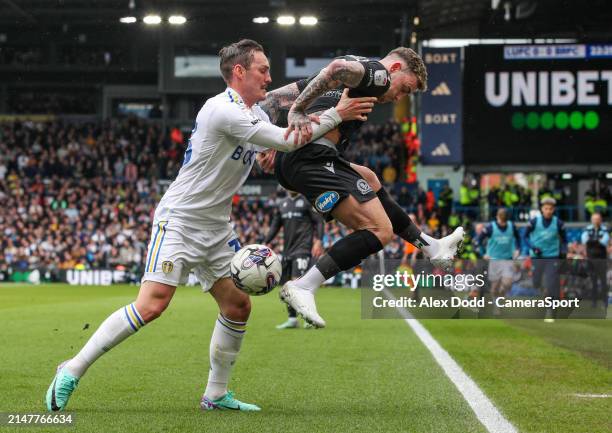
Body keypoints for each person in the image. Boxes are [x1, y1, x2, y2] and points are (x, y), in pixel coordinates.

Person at [45, 39, 374, 412]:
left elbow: (275, 138)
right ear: (239, 72)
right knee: (152, 305)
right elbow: (286, 140)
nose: (269, 77)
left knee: (237, 306)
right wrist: (337, 115)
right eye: (262, 70)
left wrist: (275, 146)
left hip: (216, 227)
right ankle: (71, 368)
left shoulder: (256, 115)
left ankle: (216, 394)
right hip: (181, 221)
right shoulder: (220, 109)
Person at [258, 48, 463, 328]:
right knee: (380, 231)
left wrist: (268, 140)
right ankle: (304, 286)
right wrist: (298, 111)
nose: (399, 97)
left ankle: (431, 246)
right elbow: (335, 67)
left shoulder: (358, 75)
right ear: (395, 68)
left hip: (309, 155)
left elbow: (271, 100)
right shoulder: (376, 74)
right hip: (309, 158)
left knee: (369, 178)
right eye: (404, 88)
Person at [263, 190, 324, 329]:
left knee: (298, 284)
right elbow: (275, 226)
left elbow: (319, 221)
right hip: (287, 251)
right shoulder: (282, 204)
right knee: (286, 286)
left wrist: (319, 240)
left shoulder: (307, 200)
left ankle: (309, 318)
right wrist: (265, 242)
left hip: (302, 248)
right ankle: (292, 319)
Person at [524, 197, 567, 322]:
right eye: (546, 208)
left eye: (551, 209)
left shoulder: (558, 223)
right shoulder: (533, 222)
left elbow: (564, 240)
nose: (548, 211)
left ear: (553, 210)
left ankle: (551, 311)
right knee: (536, 282)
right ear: (542, 209)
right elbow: (525, 237)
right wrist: (533, 247)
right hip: (537, 256)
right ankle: (543, 292)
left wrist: (563, 251)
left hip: (552, 256)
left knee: (552, 283)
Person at [475, 208, 521, 315]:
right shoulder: (491, 227)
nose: (502, 223)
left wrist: (518, 249)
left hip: (507, 259)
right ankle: (497, 304)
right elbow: (478, 240)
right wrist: (483, 254)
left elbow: (518, 238)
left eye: (504, 221)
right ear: (497, 217)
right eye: (501, 220)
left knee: (507, 283)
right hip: (494, 260)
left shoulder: (511, 226)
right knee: (494, 287)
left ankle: (500, 300)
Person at [581, 212, 609, 309]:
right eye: (594, 219)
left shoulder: (605, 229)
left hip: (602, 259)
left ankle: (605, 302)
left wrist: (592, 242)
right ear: (591, 220)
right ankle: (594, 302)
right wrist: (597, 241)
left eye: (598, 219)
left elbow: (604, 242)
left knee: (603, 281)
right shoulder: (587, 229)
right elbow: (585, 241)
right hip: (591, 259)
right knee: (593, 281)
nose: (596, 221)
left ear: (600, 220)